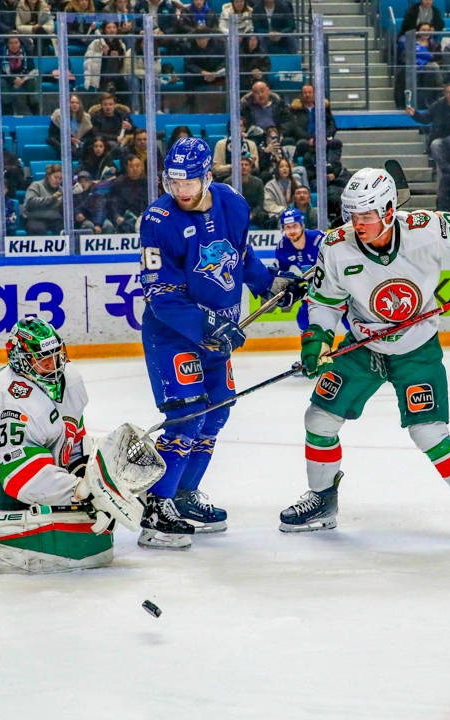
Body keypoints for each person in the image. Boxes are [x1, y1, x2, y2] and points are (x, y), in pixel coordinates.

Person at [278, 168, 450, 545]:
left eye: (366, 215)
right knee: (319, 418)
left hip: (416, 349)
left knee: (428, 432)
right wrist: (317, 338)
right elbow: (322, 301)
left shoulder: (425, 229)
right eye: (352, 215)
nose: (358, 223)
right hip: (362, 346)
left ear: (388, 210)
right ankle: (322, 500)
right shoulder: (336, 246)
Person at [137, 137, 304, 549]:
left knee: (217, 412)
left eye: (188, 183)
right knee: (188, 414)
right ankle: (157, 507)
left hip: (217, 336)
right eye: (173, 182)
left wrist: (268, 284)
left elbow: (239, 255)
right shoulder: (157, 220)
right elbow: (161, 296)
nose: (179, 191)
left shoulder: (232, 203)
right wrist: (208, 324)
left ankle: (183, 494)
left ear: (207, 177)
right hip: (174, 336)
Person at [0, 317, 162, 572]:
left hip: (8, 463)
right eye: (42, 359)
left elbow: (72, 430)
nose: (54, 364)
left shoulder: (68, 377)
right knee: (73, 510)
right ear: (21, 360)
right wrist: (83, 492)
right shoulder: (10, 397)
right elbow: (19, 477)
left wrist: (83, 470)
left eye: (56, 354)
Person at [274, 207, 323, 330]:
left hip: (336, 287)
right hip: (315, 291)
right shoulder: (282, 247)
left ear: (302, 225)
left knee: (347, 318)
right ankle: (309, 348)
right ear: (283, 229)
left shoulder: (319, 239)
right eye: (287, 227)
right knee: (303, 318)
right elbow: (280, 275)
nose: (292, 230)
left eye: (295, 225)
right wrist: (286, 289)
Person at [406, 83, 450, 159]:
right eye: (448, 92)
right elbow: (425, 118)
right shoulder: (437, 106)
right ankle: (441, 168)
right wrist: (414, 114)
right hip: (441, 138)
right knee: (435, 144)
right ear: (444, 94)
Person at [108, 154, 148, 233]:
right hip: (125, 218)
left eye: (137, 166)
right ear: (126, 168)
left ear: (142, 167)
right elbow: (113, 203)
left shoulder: (149, 182)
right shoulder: (119, 183)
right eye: (131, 166)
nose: (135, 169)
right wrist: (117, 216)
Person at [23, 163, 66, 235]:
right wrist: (51, 198)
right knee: (38, 229)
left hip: (55, 220)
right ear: (48, 176)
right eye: (55, 177)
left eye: (60, 179)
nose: (58, 180)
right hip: (36, 219)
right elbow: (30, 203)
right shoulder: (36, 185)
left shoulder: (61, 191)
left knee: (65, 228)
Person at [264, 157, 299, 221]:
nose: (285, 168)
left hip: (295, 215)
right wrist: (284, 211)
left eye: (287, 166)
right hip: (277, 215)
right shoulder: (269, 186)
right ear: (277, 169)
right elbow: (268, 204)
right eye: (281, 167)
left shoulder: (297, 184)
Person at [239, 152, 267, 227]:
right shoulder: (228, 182)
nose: (244, 167)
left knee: (264, 216)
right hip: (234, 214)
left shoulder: (258, 182)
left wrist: (252, 215)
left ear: (250, 167)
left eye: (246, 165)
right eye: (241, 165)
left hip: (253, 214)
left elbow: (260, 203)